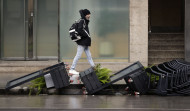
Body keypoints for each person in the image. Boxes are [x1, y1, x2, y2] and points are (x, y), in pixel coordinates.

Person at [69, 9, 95, 75]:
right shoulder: (82, 21)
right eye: (88, 14)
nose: (89, 15)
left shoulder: (84, 21)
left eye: (89, 14)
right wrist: (86, 35)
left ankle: (94, 67)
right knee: (78, 55)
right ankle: (72, 69)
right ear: (85, 15)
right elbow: (80, 30)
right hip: (82, 42)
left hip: (85, 42)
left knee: (89, 55)